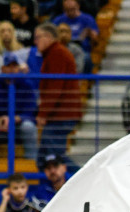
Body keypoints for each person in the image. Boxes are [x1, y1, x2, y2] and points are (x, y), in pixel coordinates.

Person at [32, 23, 81, 167]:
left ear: (48, 37)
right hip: (61, 114)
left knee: (53, 159)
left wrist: (43, 113)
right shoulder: (55, 53)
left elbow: (55, 87)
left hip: (61, 115)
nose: (35, 42)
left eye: (37, 37)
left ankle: (84, 181)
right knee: (45, 159)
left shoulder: (57, 53)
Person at [0, 54, 39, 164]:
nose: (12, 69)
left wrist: (12, 119)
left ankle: (31, 165)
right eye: (9, 66)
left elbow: (30, 111)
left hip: (18, 124)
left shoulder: (27, 84)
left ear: (18, 68)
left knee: (29, 127)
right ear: (3, 69)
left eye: (14, 66)